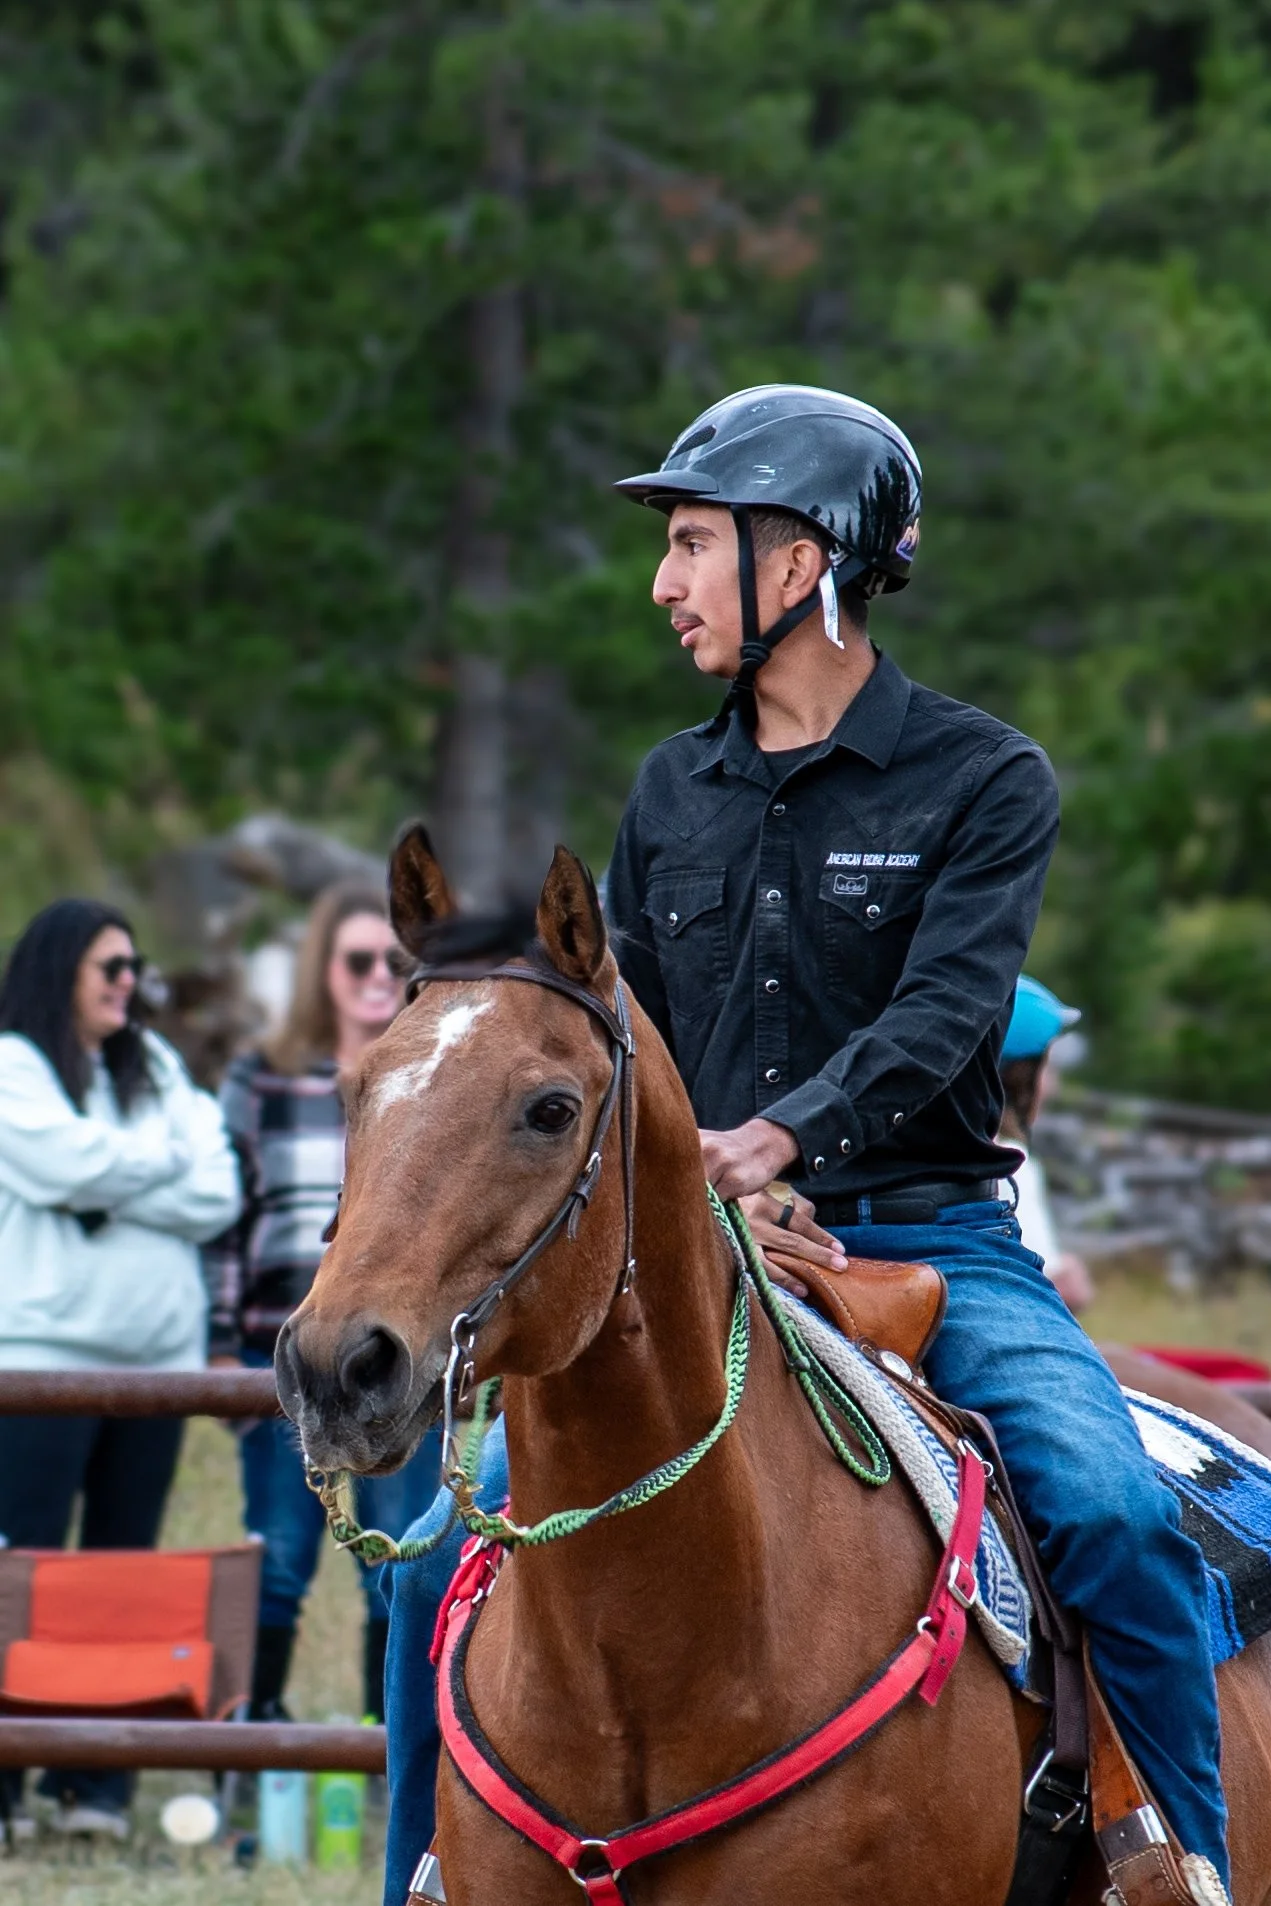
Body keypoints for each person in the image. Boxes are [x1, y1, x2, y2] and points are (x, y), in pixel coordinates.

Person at [380, 387, 1229, 1906]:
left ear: (800, 562)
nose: (663, 582)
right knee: (448, 1552)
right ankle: (425, 1878)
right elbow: (624, 1038)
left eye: (692, 542)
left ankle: (1173, 1856)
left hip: (937, 1240)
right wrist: (689, 1185)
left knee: (1109, 1512)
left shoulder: (984, 778)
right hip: (713, 1255)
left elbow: (947, 1014)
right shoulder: (670, 788)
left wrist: (775, 1137)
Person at [0, 898, 240, 1839]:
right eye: (111, 967)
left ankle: (91, 1787)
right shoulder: (14, 1066)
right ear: (59, 967)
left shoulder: (158, 1067)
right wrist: (157, 1164)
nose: (129, 983)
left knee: (123, 1573)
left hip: (158, 1369)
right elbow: (61, 1167)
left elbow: (216, 1191)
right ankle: (6, 1786)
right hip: (39, 1365)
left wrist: (111, 1180)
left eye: (136, 967)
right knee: (24, 1570)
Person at [204, 881, 441, 1729]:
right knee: (275, 1557)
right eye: (357, 960)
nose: (377, 975)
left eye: (393, 960)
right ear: (322, 971)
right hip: (283, 1347)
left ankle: (390, 1743)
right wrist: (219, 1343)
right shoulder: (264, 1078)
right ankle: (252, 1745)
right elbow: (226, 1218)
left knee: (400, 1556)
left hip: (391, 1352)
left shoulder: (432, 1078)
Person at [1000, 974, 1095, 1313]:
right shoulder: (1008, 1162)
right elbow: (1051, 1287)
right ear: (1018, 1075)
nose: (1052, 1087)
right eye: (1047, 1069)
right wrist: (1069, 1280)